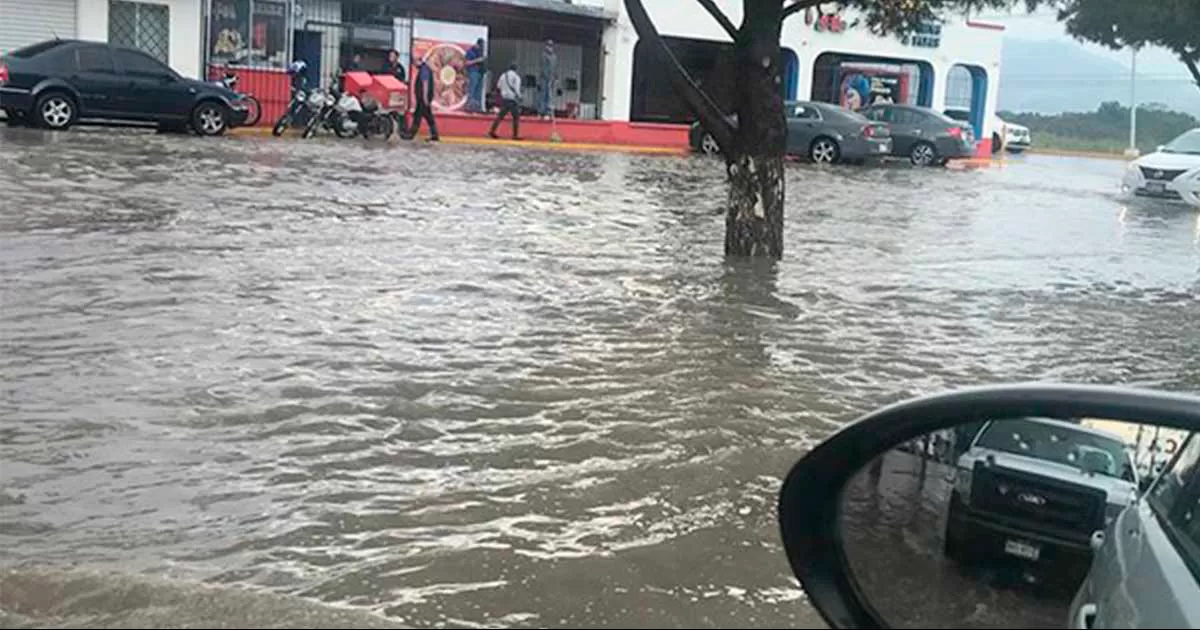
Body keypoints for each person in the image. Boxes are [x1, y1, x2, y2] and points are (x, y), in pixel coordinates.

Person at [407, 58, 439, 141]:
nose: (414, 65)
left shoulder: (424, 69)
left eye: (415, 63)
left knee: (418, 116)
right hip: (423, 98)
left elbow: (425, 84)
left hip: (423, 99)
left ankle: (411, 134)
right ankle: (435, 135)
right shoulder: (425, 68)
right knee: (428, 116)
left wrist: (425, 97)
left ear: (419, 61)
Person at [489, 62, 522, 140]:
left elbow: (498, 86)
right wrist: (520, 97)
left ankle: (492, 131)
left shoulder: (503, 76)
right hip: (512, 100)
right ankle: (515, 135)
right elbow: (517, 89)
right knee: (516, 118)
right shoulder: (516, 77)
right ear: (516, 69)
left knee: (500, 116)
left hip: (504, 99)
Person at [464, 38, 487, 113]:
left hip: (480, 72)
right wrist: (477, 60)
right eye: (481, 45)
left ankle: (477, 107)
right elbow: (466, 63)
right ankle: (468, 106)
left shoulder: (481, 52)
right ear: (477, 44)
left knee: (479, 91)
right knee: (472, 89)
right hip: (473, 72)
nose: (482, 47)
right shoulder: (470, 51)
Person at [539, 40, 556, 118]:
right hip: (544, 78)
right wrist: (547, 77)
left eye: (551, 46)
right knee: (544, 95)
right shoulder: (544, 55)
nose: (550, 47)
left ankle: (548, 111)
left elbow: (554, 68)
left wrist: (553, 78)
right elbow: (543, 68)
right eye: (548, 45)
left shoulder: (554, 57)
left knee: (550, 95)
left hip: (551, 79)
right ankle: (542, 111)